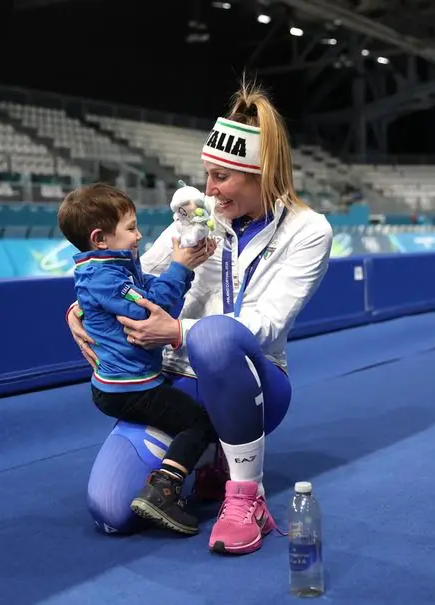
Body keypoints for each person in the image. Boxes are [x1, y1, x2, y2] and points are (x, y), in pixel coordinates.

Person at [66, 79, 334, 555]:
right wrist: (80, 309)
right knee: (111, 510)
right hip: (173, 383)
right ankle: (209, 451)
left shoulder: (309, 230)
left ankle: (244, 495)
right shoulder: (198, 214)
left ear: (262, 173)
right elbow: (135, 273)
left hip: (256, 380)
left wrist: (176, 330)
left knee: (214, 337)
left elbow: (267, 322)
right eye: (207, 173)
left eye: (222, 177)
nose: (209, 189)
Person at [57, 183, 219, 536]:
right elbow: (152, 312)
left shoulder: (110, 266)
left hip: (127, 383)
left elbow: (142, 286)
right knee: (198, 423)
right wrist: (179, 269)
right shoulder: (106, 276)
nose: (139, 235)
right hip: (129, 390)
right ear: (100, 238)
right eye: (131, 228)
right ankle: (164, 490)